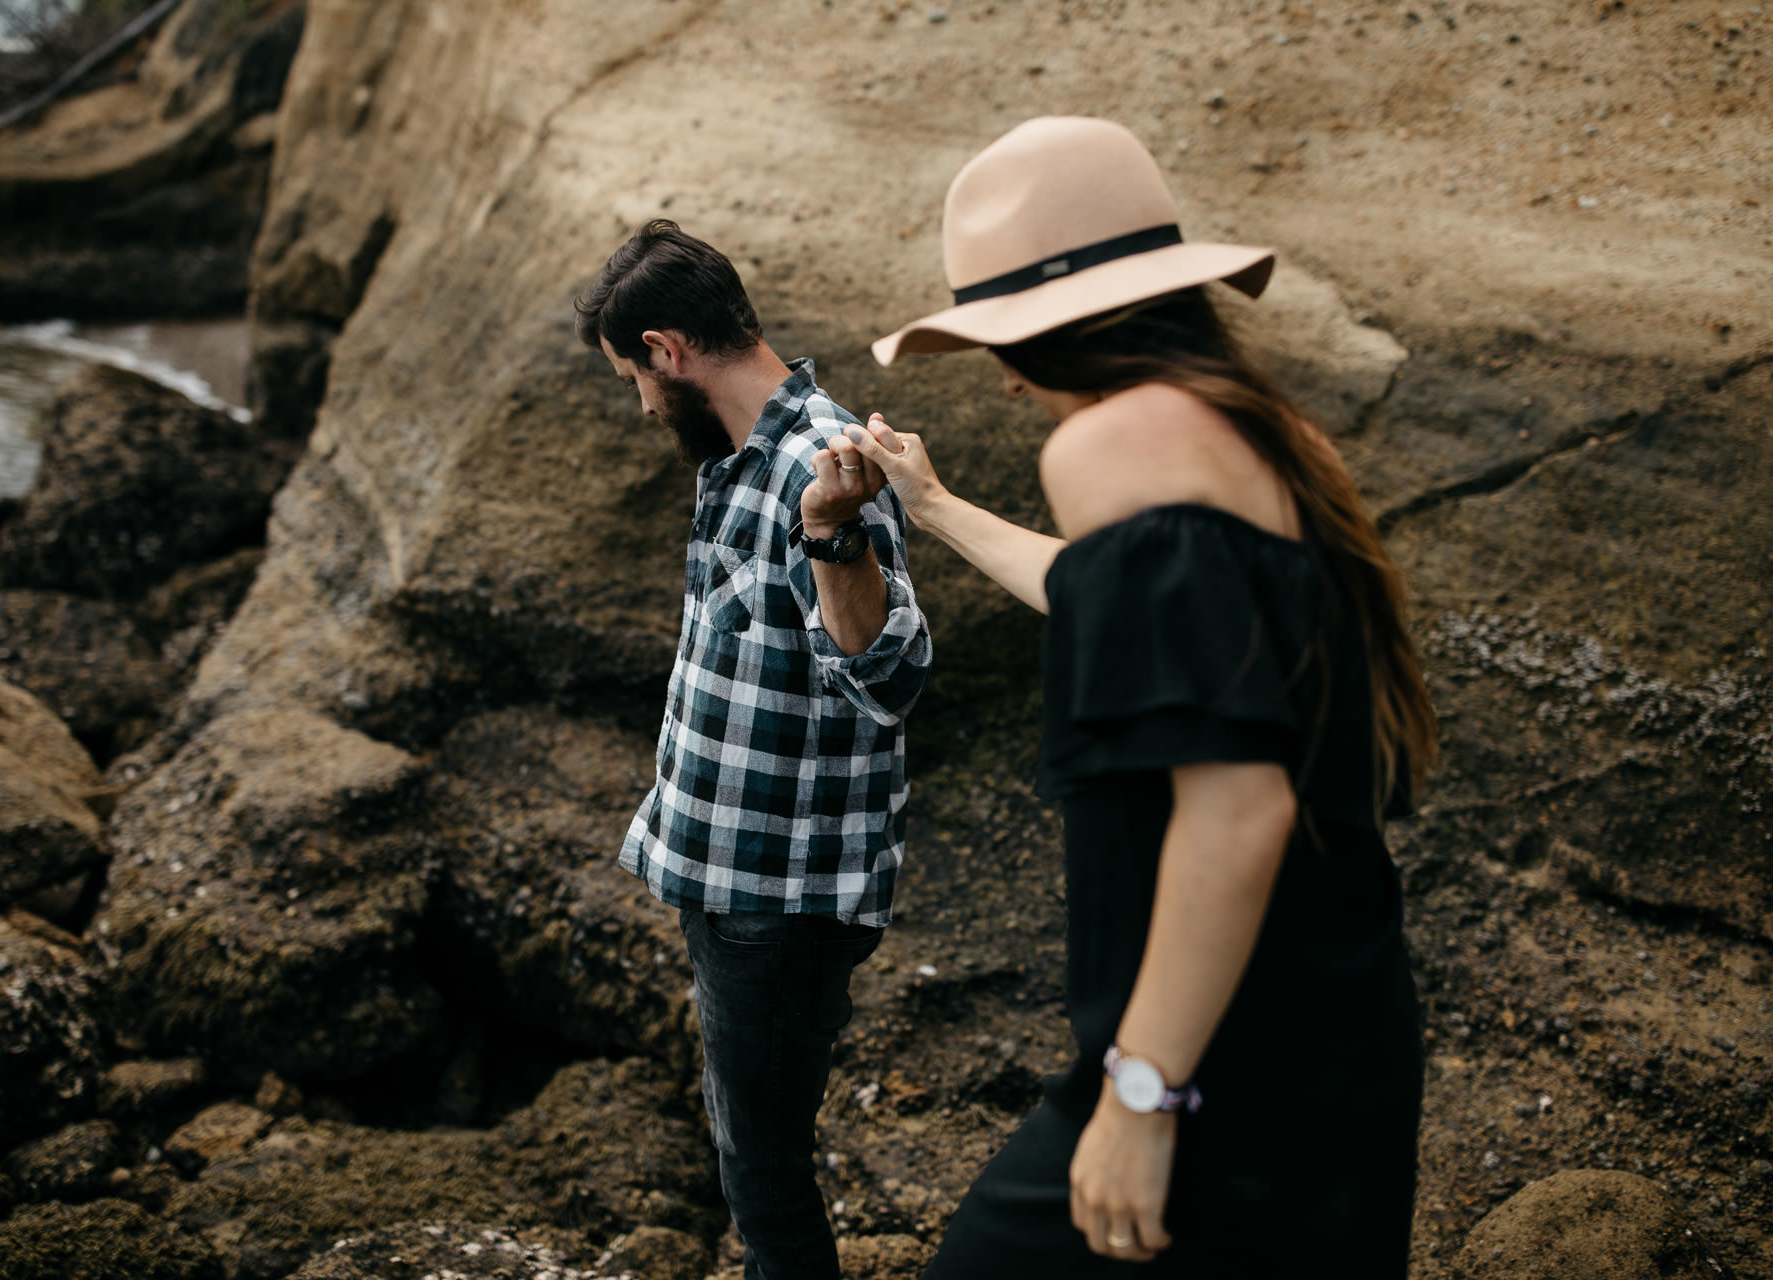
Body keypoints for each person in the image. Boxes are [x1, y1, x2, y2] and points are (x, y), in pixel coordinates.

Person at [850, 117, 1436, 1275]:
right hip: (1342, 1024)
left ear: (1058, 324)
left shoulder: (1111, 442)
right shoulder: (1266, 433)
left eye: (1005, 338)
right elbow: (1109, 598)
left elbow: (1237, 808)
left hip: (1223, 1062)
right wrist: (938, 507)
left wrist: (1141, 1093)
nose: (1006, 376)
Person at [573, 220, 932, 1280]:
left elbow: (889, 674)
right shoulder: (737, 458)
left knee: (763, 1175)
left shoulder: (818, 466)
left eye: (635, 380)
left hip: (778, 899)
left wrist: (833, 530)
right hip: (736, 881)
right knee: (752, 1158)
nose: (643, 406)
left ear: (667, 350)